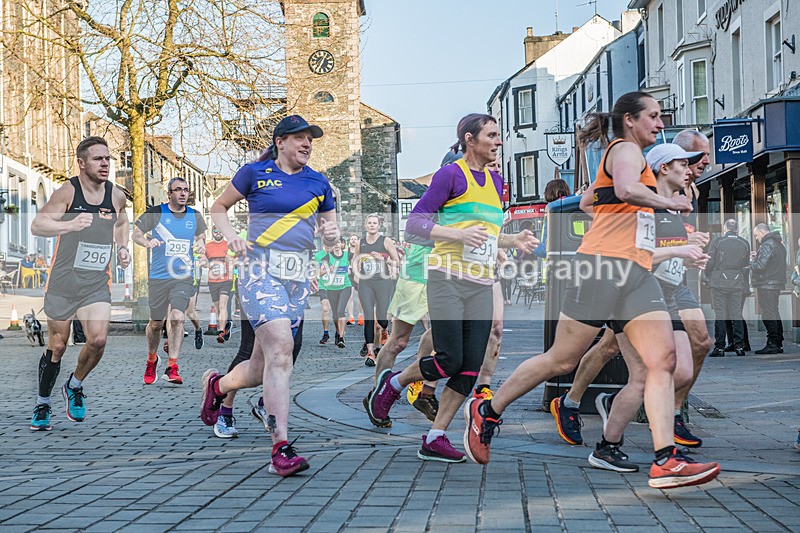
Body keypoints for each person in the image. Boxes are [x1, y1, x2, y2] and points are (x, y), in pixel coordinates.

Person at [463, 92, 721, 490]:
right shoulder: (625, 151)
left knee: (661, 362)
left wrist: (622, 214)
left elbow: (589, 200)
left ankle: (665, 459)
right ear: (630, 121)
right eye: (652, 116)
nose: (659, 121)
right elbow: (625, 189)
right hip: (601, 268)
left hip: (634, 271)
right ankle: (488, 410)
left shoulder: (632, 159)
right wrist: (665, 205)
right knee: (562, 360)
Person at [367, 113, 537, 463]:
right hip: (446, 277)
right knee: (448, 360)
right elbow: (414, 223)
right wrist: (456, 234)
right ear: (470, 140)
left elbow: (484, 233)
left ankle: (435, 436)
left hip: (481, 280)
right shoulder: (450, 174)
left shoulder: (496, 182)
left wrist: (512, 238)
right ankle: (394, 384)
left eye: (499, 135)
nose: (498, 141)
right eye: (492, 135)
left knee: (471, 366)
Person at [200, 115, 340, 477]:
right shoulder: (254, 173)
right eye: (299, 138)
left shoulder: (320, 182)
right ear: (280, 142)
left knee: (262, 367)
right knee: (281, 348)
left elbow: (329, 229)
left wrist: (331, 236)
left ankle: (218, 385)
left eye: (310, 139)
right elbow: (218, 207)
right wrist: (231, 234)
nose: (307, 144)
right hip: (257, 269)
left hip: (296, 277)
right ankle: (280, 446)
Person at [582, 143, 708, 472]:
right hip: (635, 296)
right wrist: (680, 251)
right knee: (643, 376)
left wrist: (689, 252)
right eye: (683, 164)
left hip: (667, 296)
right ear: (664, 168)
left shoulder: (674, 209)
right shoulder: (644, 207)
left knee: (678, 370)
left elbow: (666, 252)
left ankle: (621, 412)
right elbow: (640, 255)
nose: (689, 170)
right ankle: (621, 448)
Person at [29, 136, 131, 431]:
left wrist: (122, 246)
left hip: (95, 283)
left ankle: (74, 384)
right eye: (98, 159)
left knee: (98, 340)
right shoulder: (68, 192)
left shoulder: (116, 195)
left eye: (108, 159)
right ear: (82, 163)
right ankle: (42, 402)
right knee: (57, 346)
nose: (105, 164)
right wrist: (69, 225)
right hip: (63, 284)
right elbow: (38, 224)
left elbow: (122, 222)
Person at [133, 177, 206, 385]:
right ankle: (152, 359)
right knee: (156, 324)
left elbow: (201, 237)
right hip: (158, 277)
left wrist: (201, 246)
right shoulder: (156, 213)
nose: (183, 193)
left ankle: (172, 365)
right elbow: (135, 235)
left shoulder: (195, 216)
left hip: (182, 277)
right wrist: (147, 242)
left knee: (177, 317)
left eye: (186, 190)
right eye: (178, 190)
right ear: (169, 193)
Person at [354, 214, 399, 365]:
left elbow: (397, 262)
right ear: (365, 225)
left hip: (383, 282)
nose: (372, 225)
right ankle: (371, 353)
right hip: (366, 283)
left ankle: (385, 329)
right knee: (368, 316)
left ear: (379, 226)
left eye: (375, 223)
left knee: (380, 318)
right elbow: (355, 260)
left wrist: (384, 259)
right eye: (369, 223)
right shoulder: (361, 243)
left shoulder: (385, 241)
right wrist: (356, 274)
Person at [704, 219, 750, 357]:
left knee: (720, 315)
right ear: (736, 230)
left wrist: (707, 274)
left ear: (725, 229)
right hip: (737, 281)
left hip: (719, 282)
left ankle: (720, 347)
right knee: (736, 314)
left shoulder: (717, 242)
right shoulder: (744, 243)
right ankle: (739, 346)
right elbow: (746, 263)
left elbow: (710, 261)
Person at [750, 223, 787, 354]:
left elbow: (760, 266)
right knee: (774, 312)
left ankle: (772, 344)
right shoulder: (779, 244)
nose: (756, 238)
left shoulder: (767, 245)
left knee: (768, 314)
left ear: (761, 232)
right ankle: (778, 343)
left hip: (766, 284)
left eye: (756, 235)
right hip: (776, 283)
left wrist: (752, 261)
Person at [321, 239, 352, 348]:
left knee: (340, 311)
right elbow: (320, 273)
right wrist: (328, 269)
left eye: (338, 243)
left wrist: (351, 269)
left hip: (345, 286)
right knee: (335, 314)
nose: (337, 245)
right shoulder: (327, 257)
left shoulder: (348, 255)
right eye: (334, 244)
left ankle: (342, 337)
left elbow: (356, 265)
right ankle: (338, 333)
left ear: (342, 244)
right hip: (332, 288)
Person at [206, 225, 234, 343]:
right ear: (212, 233)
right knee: (218, 308)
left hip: (226, 280)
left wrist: (230, 259)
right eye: (215, 231)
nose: (217, 233)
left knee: (223, 305)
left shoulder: (228, 245)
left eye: (219, 230)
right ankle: (226, 325)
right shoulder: (208, 246)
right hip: (212, 281)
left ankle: (221, 331)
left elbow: (237, 259)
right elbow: (201, 259)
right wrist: (204, 263)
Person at [313, 245, 333, 345]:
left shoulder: (339, 255)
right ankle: (326, 333)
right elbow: (317, 274)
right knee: (325, 308)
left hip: (337, 286)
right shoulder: (318, 256)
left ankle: (339, 334)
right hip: (323, 286)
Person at [345, 233, 363, 325]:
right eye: (351, 239)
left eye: (355, 239)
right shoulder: (346, 251)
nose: (353, 241)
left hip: (359, 274)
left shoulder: (361, 251)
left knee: (360, 296)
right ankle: (351, 316)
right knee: (350, 296)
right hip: (349, 275)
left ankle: (360, 315)